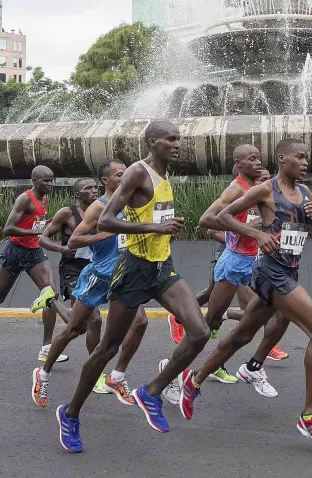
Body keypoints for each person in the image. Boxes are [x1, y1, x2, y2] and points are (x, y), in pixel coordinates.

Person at [56, 120, 210, 452]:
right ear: (152, 142)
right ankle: (70, 413)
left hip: (162, 267)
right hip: (133, 271)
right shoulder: (138, 173)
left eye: (179, 139)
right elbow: (107, 220)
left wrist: (164, 230)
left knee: (199, 332)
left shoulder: (165, 173)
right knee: (107, 350)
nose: (177, 143)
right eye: (170, 139)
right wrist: (154, 228)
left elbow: (155, 216)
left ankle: (150, 392)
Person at [182, 138, 312, 447]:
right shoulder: (265, 190)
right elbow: (224, 216)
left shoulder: (306, 193)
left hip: (289, 270)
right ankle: (310, 416)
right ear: (283, 160)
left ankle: (195, 379)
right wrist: (256, 233)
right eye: (300, 157)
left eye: (307, 157)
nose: (306, 162)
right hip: (271, 272)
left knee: (242, 334)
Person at [33, 160, 149, 408]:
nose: (126, 177)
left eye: (127, 173)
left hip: (124, 274)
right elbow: (73, 242)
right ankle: (43, 374)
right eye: (120, 174)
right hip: (97, 275)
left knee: (140, 322)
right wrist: (103, 235)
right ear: (106, 180)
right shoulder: (99, 207)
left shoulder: (131, 204)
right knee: (75, 329)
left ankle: (116, 376)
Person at [193, 145, 291, 395]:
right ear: (238, 163)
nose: (257, 162)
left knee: (277, 314)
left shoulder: (258, 189)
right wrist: (247, 228)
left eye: (259, 157)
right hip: (235, 262)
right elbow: (206, 219)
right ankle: (174, 366)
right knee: (211, 322)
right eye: (251, 159)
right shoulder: (236, 188)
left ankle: (253, 367)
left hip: (257, 262)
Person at [0, 165, 70, 361]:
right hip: (15, 252)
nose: (50, 184)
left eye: (52, 180)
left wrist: (49, 224)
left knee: (51, 294)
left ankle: (46, 348)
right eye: (45, 180)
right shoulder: (25, 199)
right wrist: (38, 232)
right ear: (34, 181)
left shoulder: (44, 199)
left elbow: (34, 224)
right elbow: (8, 229)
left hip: (34, 252)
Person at [37, 178, 101, 364]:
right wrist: (61, 249)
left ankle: (48, 300)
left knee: (78, 327)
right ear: (77, 194)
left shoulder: (102, 210)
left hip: (94, 268)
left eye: (96, 187)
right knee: (95, 319)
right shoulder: (67, 214)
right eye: (88, 188)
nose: (94, 191)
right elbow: (43, 238)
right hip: (72, 269)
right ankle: (95, 372)